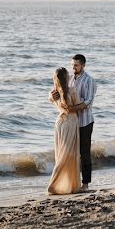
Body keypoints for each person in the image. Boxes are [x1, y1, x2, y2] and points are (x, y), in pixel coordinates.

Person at [50, 54, 96, 191]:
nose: (73, 68)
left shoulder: (89, 80)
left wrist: (70, 109)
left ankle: (85, 184)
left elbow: (87, 102)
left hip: (84, 122)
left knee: (84, 153)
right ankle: (69, 183)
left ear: (83, 65)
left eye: (76, 65)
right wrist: (53, 97)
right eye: (72, 65)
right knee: (70, 154)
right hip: (71, 124)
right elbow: (58, 93)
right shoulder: (69, 79)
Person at [47, 67, 82, 195]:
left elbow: (50, 99)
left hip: (59, 123)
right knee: (68, 155)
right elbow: (78, 107)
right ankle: (54, 184)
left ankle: (67, 185)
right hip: (70, 122)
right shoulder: (71, 91)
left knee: (61, 154)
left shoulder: (54, 93)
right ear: (66, 77)